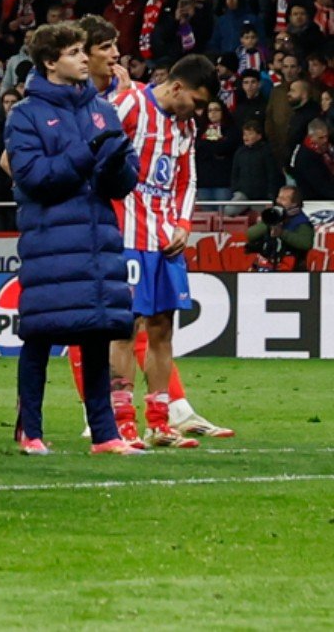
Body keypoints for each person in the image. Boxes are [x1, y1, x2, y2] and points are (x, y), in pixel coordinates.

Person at [5, 23, 142, 456]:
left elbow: (122, 181)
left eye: (85, 50)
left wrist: (119, 161)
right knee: (40, 335)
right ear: (50, 62)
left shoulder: (101, 109)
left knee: (97, 333)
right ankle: (31, 430)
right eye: (75, 52)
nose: (85, 59)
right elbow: (34, 178)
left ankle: (104, 434)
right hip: (50, 238)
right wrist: (88, 153)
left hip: (97, 237)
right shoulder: (25, 114)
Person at [110, 54, 219, 450]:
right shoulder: (132, 103)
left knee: (162, 329)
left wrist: (184, 225)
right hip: (125, 236)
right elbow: (94, 148)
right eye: (198, 101)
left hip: (165, 239)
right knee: (123, 329)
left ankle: (160, 422)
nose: (201, 111)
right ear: (176, 87)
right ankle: (122, 423)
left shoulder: (186, 126)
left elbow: (187, 180)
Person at [245, 185, 313, 269]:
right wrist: (269, 223)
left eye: (283, 199)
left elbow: (306, 243)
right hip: (267, 262)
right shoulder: (272, 215)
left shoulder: (301, 222)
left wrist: (281, 233)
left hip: (291, 265)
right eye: (278, 198)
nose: (278, 201)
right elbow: (250, 234)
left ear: (294, 203)